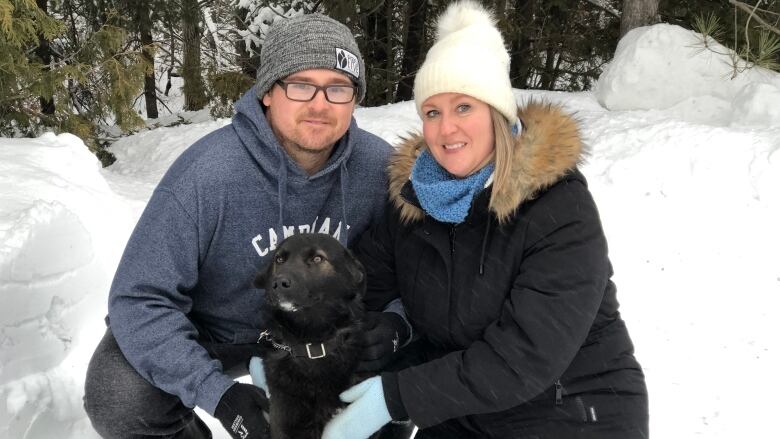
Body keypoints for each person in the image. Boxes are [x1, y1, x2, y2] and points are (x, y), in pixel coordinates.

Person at [320, 1, 649, 438]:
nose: (446, 129)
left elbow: (526, 355)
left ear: (497, 113)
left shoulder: (558, 206)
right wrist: (302, 352)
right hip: (465, 411)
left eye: (464, 108)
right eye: (432, 112)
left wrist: (395, 396)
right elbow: (358, 287)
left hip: (574, 408)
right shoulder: (415, 204)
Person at [82, 13, 401, 439]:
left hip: (325, 334)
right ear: (268, 92)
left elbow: (419, 269)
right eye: (301, 85)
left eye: (338, 88)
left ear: (354, 99)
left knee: (417, 354)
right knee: (120, 393)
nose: (320, 104)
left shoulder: (379, 169)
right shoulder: (208, 175)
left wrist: (398, 323)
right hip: (216, 334)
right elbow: (138, 299)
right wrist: (218, 394)